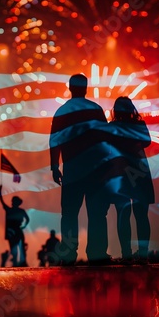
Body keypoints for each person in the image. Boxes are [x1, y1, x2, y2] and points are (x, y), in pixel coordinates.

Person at [49, 73, 111, 265]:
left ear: (69, 88)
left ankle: (68, 254)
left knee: (69, 213)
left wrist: (54, 166)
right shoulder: (96, 109)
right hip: (96, 170)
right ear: (86, 88)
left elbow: (55, 141)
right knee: (98, 213)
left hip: (72, 171)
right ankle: (97, 253)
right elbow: (105, 138)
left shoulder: (61, 112)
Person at [105, 96, 154, 264]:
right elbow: (147, 141)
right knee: (142, 215)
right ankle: (143, 254)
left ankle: (126, 254)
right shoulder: (139, 125)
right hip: (139, 171)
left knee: (122, 214)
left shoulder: (112, 127)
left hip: (119, 172)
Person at [0, 185, 30, 267]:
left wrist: (0, 191)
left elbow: (1, 201)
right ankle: (20, 262)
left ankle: (18, 262)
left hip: (12, 231)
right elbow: (27, 219)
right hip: (16, 230)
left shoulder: (11, 210)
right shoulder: (20, 211)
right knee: (18, 247)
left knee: (15, 247)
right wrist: (23, 226)